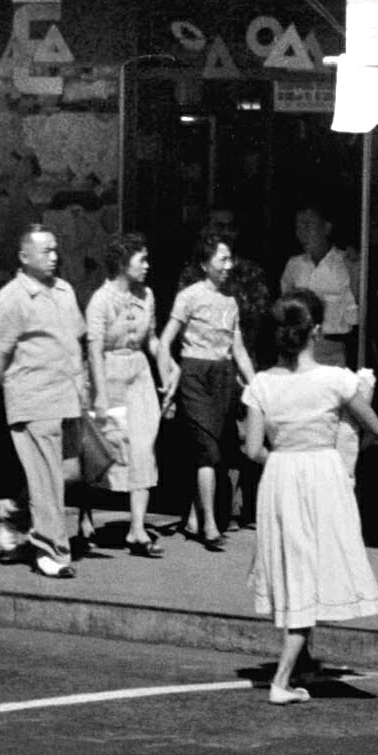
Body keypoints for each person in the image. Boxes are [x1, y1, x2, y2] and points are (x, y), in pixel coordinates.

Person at [242, 292, 378, 704]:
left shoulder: (262, 384)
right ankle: (282, 679)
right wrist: (344, 448)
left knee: (294, 565)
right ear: (316, 332)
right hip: (322, 474)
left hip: (280, 475)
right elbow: (375, 426)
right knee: (312, 567)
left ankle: (301, 660)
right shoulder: (336, 380)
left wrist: (285, 458)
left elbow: (252, 449)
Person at [0, 226, 89, 579]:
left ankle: (12, 512)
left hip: (68, 396)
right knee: (47, 480)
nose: (54, 257)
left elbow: (77, 343)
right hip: (34, 398)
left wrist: (87, 389)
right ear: (25, 257)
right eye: (46, 251)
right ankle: (51, 551)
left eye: (56, 250)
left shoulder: (65, 291)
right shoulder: (13, 297)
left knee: (68, 473)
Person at [161, 230, 253, 552]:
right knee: (207, 451)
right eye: (222, 259)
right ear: (205, 263)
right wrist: (168, 379)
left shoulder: (230, 301)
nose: (229, 265)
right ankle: (211, 525)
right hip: (195, 373)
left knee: (212, 446)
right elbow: (164, 342)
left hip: (223, 377)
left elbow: (237, 348)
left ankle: (193, 518)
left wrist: (256, 386)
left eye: (230, 259)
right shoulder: (189, 296)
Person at [84, 231, 165, 556]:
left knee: (143, 448)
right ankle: (84, 516)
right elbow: (93, 350)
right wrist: (101, 395)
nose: (146, 265)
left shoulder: (147, 296)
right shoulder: (100, 301)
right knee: (105, 452)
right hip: (109, 374)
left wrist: (167, 368)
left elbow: (154, 339)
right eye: (141, 259)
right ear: (122, 262)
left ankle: (136, 529)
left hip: (139, 376)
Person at [282, 203, 359, 368]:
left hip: (336, 351)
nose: (302, 232)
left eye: (308, 225)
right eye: (298, 226)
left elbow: (358, 307)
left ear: (326, 228)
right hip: (300, 350)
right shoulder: (294, 265)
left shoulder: (347, 263)